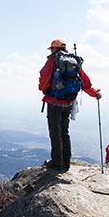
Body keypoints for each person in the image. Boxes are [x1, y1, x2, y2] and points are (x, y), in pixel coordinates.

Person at [38, 39, 101, 171]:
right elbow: (85, 82)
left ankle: (56, 163)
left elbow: (44, 79)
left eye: (51, 49)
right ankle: (66, 162)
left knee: (55, 133)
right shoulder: (74, 62)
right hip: (68, 103)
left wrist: (43, 89)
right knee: (64, 133)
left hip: (53, 102)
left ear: (54, 49)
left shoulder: (52, 61)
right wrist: (95, 94)